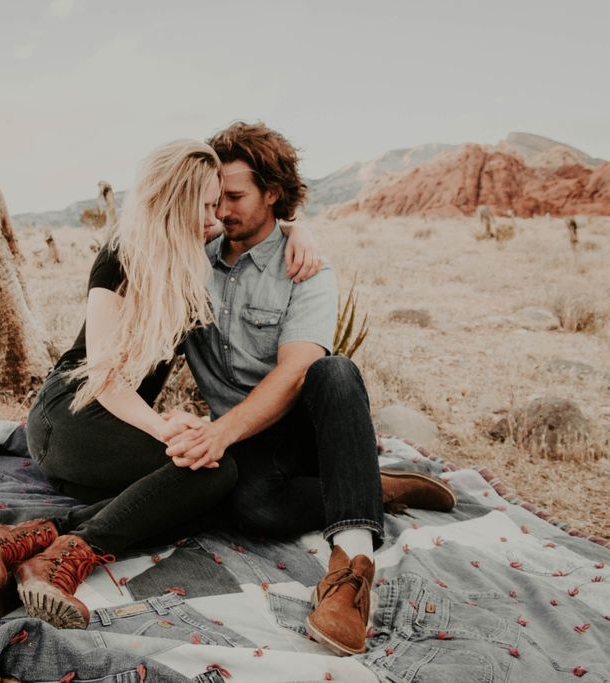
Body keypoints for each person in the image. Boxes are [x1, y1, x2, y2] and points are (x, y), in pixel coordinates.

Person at [0, 139, 321, 630]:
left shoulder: (195, 256)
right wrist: (164, 428)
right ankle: (56, 559)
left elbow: (256, 230)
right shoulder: (121, 258)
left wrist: (296, 230)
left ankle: (22, 540)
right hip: (72, 414)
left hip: (106, 445)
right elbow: (103, 378)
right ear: (179, 202)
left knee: (199, 499)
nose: (216, 218)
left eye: (220, 204)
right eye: (207, 205)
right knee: (213, 473)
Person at [165, 122, 456, 656]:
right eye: (214, 199)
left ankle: (349, 576)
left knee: (333, 370)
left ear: (272, 194)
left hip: (301, 429)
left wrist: (218, 433)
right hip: (249, 440)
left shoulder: (307, 270)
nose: (221, 211)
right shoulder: (190, 261)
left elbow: (294, 374)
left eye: (235, 197)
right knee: (254, 513)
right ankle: (373, 488)